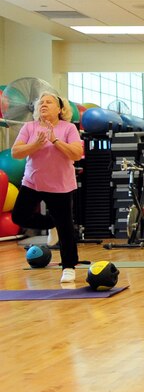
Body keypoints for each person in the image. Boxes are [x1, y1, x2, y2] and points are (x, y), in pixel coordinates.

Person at [11, 93, 82, 285]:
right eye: (41, 102)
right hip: (32, 182)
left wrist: (55, 141)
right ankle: (51, 224)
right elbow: (16, 152)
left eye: (48, 102)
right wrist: (35, 144)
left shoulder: (68, 128)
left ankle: (68, 267)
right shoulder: (29, 127)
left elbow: (76, 154)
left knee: (66, 228)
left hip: (60, 185)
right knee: (19, 216)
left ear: (60, 109)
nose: (43, 105)